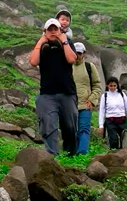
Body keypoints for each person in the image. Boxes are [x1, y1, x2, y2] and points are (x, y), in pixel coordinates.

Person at [29, 18, 78, 156]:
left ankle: (70, 154)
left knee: (70, 126)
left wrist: (64, 40)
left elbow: (72, 59)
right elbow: (33, 61)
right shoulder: (42, 47)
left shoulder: (67, 43)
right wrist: (40, 42)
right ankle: (52, 155)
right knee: (48, 125)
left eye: (55, 29)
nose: (53, 32)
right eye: (49, 30)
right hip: (47, 94)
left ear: (60, 30)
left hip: (67, 92)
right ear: (45, 32)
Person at [72, 42, 102, 155]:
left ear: (84, 53)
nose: (77, 55)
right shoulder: (66, 66)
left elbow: (97, 85)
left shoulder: (90, 67)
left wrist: (92, 100)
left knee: (84, 129)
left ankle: (82, 153)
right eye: (75, 52)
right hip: (70, 105)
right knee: (71, 130)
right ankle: (72, 153)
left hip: (85, 104)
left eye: (79, 53)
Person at [97, 77, 127, 149]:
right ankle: (113, 155)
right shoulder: (105, 96)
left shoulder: (122, 95)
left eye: (114, 85)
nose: (113, 87)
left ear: (117, 85)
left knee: (124, 139)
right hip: (110, 121)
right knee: (113, 139)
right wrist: (101, 125)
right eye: (111, 86)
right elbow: (102, 111)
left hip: (122, 120)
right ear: (107, 86)